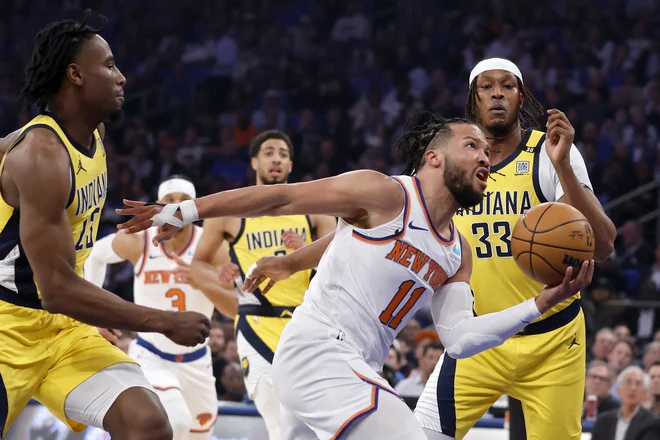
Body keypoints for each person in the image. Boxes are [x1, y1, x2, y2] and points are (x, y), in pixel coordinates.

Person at [116, 115, 594, 439]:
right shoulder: (384, 193)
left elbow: (461, 340)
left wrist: (541, 303)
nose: (485, 156)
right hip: (318, 349)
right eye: (472, 145)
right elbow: (281, 199)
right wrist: (184, 211)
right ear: (433, 157)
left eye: (488, 151)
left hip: (355, 366)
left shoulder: (456, 252)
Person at [0, 12, 209, 439]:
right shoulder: (40, 156)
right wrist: (163, 321)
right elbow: (57, 288)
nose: (123, 77)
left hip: (64, 332)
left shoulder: (90, 138)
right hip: (7, 331)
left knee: (148, 424)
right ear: (75, 75)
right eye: (109, 65)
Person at [411, 57, 617, 440]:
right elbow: (399, 221)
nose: (497, 94)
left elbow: (603, 244)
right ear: (474, 99)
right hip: (480, 336)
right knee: (419, 435)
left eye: (507, 86)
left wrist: (564, 168)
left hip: (552, 339)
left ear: (521, 97)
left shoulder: (553, 152)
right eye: (486, 87)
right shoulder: (451, 161)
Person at [189, 130, 337, 439]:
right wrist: (227, 296)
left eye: (283, 154)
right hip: (256, 326)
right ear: (254, 161)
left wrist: (306, 253)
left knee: (318, 425)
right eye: (269, 153)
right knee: (280, 424)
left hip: (307, 325)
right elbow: (199, 264)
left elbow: (341, 264)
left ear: (291, 165)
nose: (276, 159)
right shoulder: (231, 211)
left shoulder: (315, 210)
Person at [83, 175, 233, 439]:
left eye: (184, 201)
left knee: (198, 435)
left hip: (198, 361)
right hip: (152, 356)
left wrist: (207, 283)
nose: (176, 207)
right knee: (176, 422)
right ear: (157, 206)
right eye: (169, 201)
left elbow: (236, 300)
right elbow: (95, 255)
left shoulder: (211, 245)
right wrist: (93, 315)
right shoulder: (141, 240)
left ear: (196, 207)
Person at [590, 366, 658, 440]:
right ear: (618, 390)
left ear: (645, 392)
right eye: (628, 382)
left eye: (638, 384)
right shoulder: (603, 421)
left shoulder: (653, 422)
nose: (633, 388)